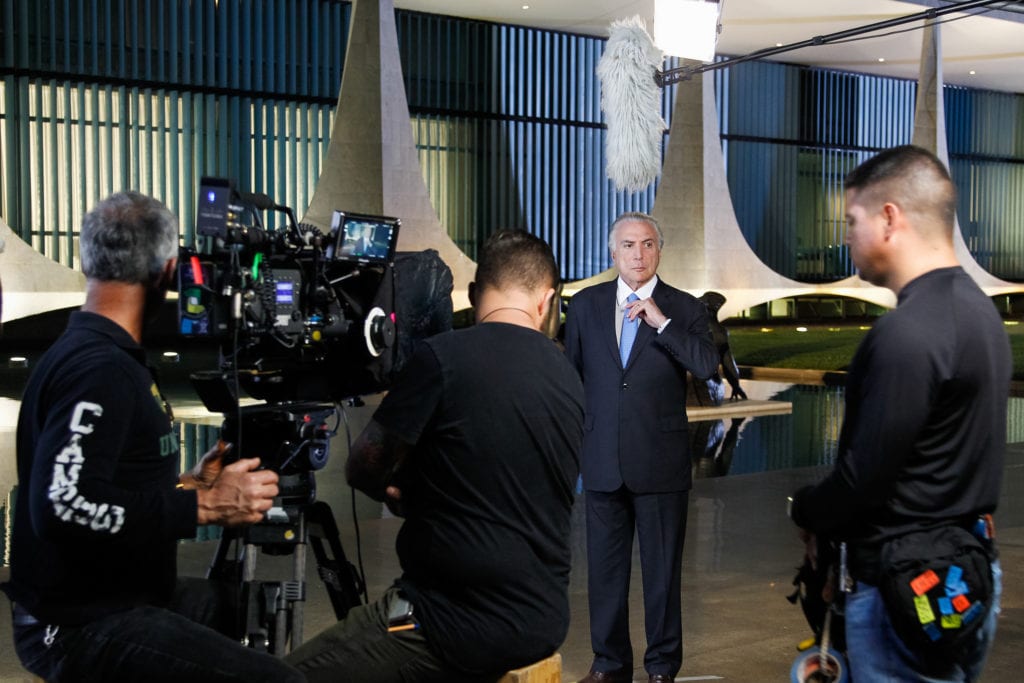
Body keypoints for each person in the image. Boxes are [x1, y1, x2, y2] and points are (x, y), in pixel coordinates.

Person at [2, 192, 304, 683]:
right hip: (78, 621)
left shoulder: (103, 354)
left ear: (86, 259)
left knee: (251, 609)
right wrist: (204, 509)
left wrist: (190, 485)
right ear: (168, 269)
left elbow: (104, 481)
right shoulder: (99, 368)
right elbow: (62, 504)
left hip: (125, 593)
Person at [285, 229, 584, 682]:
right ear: (547, 301)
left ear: (471, 294)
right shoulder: (568, 378)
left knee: (289, 676)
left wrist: (403, 493)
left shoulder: (444, 357)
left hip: (447, 623)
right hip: (542, 619)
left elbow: (363, 467)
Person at [789, 145, 1011, 681]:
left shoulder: (908, 333)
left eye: (853, 220)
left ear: (890, 217)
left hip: (902, 582)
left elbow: (865, 477)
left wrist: (806, 510)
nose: (846, 236)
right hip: (963, 572)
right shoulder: (979, 312)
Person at [564, 212, 719, 683]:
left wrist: (662, 323)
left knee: (662, 577)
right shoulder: (586, 305)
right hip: (603, 464)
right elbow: (572, 381)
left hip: (661, 464)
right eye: (628, 245)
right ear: (613, 253)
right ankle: (609, 665)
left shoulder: (685, 307)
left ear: (659, 250)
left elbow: (708, 366)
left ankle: (661, 668)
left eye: (647, 244)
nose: (638, 254)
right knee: (605, 577)